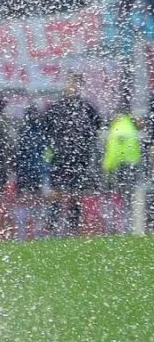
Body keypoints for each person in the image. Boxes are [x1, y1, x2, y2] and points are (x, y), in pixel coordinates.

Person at [40, 73, 102, 235]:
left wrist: (85, 143)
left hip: (80, 156)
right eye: (69, 83)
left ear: (79, 86)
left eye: (75, 84)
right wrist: (56, 143)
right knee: (56, 190)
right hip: (60, 155)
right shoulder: (57, 107)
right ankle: (51, 224)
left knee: (76, 191)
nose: (72, 87)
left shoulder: (86, 107)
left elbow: (98, 125)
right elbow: (45, 126)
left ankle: (73, 226)